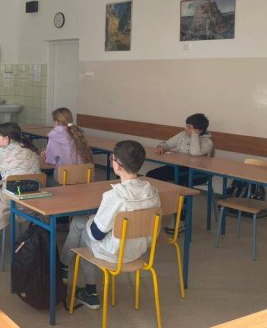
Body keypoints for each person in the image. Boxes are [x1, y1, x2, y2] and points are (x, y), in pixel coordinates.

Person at [61, 140, 160, 310]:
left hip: (115, 254)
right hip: (138, 250)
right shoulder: (152, 192)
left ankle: (84, 285)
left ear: (118, 166)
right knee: (82, 224)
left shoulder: (114, 196)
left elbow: (96, 234)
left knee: (80, 225)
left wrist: (92, 218)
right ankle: (70, 272)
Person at [0, 122, 40, 241]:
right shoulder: (30, 149)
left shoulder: (0, 151)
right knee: (8, 182)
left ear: (6, 139)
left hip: (14, 198)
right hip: (35, 197)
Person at [146, 113, 214, 184]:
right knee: (151, 175)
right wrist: (161, 147)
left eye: (189, 127)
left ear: (199, 130)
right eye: (186, 126)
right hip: (179, 167)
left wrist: (194, 135)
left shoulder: (207, 142)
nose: (185, 129)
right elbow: (168, 144)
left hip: (197, 172)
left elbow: (194, 153)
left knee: (176, 183)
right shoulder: (182, 135)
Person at [42, 107, 93, 173]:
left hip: (65, 175)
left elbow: (50, 161)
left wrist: (44, 156)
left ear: (56, 122)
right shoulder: (76, 133)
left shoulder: (54, 136)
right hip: (84, 174)